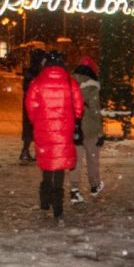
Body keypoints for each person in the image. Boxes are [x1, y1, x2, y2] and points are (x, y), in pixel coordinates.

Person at [26, 50, 83, 222]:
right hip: (63, 129)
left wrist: (37, 120)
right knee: (59, 164)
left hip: (43, 128)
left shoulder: (37, 82)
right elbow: (78, 107)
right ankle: (58, 203)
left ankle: (45, 199)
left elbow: (30, 106)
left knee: (47, 163)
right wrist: (74, 118)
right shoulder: (69, 81)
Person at [70, 56, 104, 203]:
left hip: (74, 128)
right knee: (92, 157)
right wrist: (101, 132)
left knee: (76, 160)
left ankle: (74, 189)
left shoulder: (69, 83)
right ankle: (94, 184)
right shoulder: (92, 87)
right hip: (89, 128)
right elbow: (95, 112)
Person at [20, 49, 46, 163]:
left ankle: (26, 151)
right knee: (36, 128)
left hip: (30, 103)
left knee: (29, 128)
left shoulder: (30, 71)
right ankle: (31, 152)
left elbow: (26, 87)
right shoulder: (39, 71)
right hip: (38, 104)